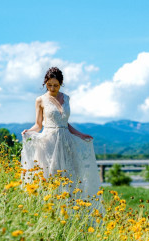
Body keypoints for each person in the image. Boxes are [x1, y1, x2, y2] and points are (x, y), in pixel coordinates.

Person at [21, 67, 103, 206]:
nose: (52, 88)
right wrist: (29, 131)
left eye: (56, 85)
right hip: (49, 142)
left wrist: (81, 134)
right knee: (49, 175)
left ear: (61, 84)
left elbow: (65, 123)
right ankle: (48, 208)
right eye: (49, 85)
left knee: (70, 176)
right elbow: (38, 125)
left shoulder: (66, 98)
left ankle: (70, 209)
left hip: (66, 142)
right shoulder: (40, 100)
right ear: (45, 83)